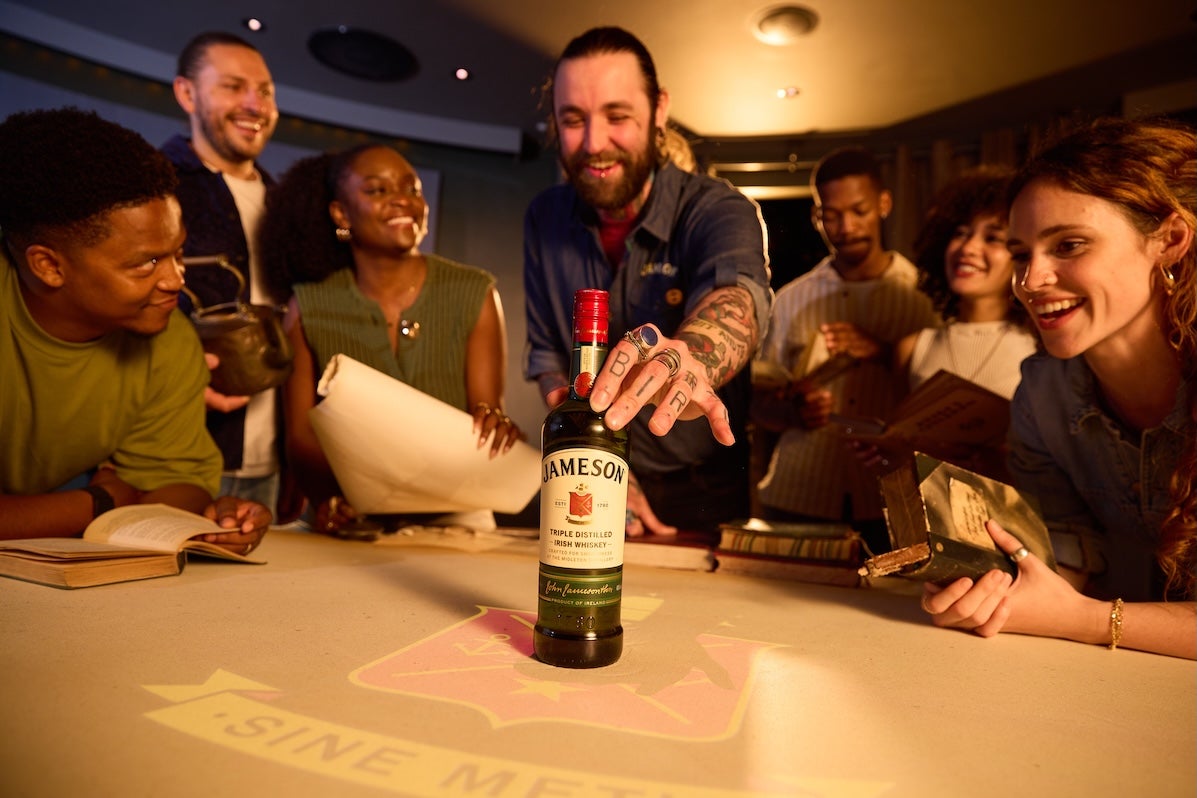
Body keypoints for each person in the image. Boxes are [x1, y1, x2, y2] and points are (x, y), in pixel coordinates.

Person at [922, 117, 1196, 660]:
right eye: (1022, 254)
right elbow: (1067, 554)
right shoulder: (1044, 396)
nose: (1031, 280)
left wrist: (1089, 619)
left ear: (1169, 240)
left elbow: (1079, 612)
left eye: (1068, 245)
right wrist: (997, 590)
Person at [523, 26, 772, 543]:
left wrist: (692, 356)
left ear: (658, 110)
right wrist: (595, 457)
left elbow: (739, 296)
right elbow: (549, 356)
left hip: (700, 492)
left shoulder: (717, 208)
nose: (593, 144)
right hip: (585, 477)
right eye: (573, 120)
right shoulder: (543, 218)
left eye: (617, 116)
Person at [0, 107, 270, 554]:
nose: (175, 280)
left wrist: (203, 521)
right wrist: (96, 502)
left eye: (178, 252)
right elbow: (118, 502)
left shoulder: (169, 339)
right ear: (48, 265)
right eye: (146, 262)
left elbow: (177, 485)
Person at [259, 143, 523, 536]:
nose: (403, 200)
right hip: (350, 515)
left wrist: (496, 425)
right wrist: (335, 499)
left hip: (455, 514)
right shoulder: (308, 307)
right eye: (378, 190)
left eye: (412, 188)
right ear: (341, 213)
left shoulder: (475, 292)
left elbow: (484, 409)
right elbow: (301, 435)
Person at [752, 147, 938, 551]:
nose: (846, 227)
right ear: (817, 216)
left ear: (883, 204)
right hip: (797, 496)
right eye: (831, 215)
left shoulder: (925, 296)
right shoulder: (790, 300)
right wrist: (790, 411)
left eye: (859, 211)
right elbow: (759, 403)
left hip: (892, 501)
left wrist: (886, 353)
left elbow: (943, 406)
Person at [162, 31, 283, 517]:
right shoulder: (153, 185)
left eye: (266, 90)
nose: (255, 103)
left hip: (274, 461)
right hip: (177, 450)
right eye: (234, 87)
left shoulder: (289, 204)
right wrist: (177, 375)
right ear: (187, 93)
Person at [870, 167, 1039, 480]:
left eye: (993, 238)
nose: (969, 248)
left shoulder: (1042, 349)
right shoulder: (911, 349)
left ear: (1021, 255)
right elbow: (897, 466)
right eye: (961, 233)